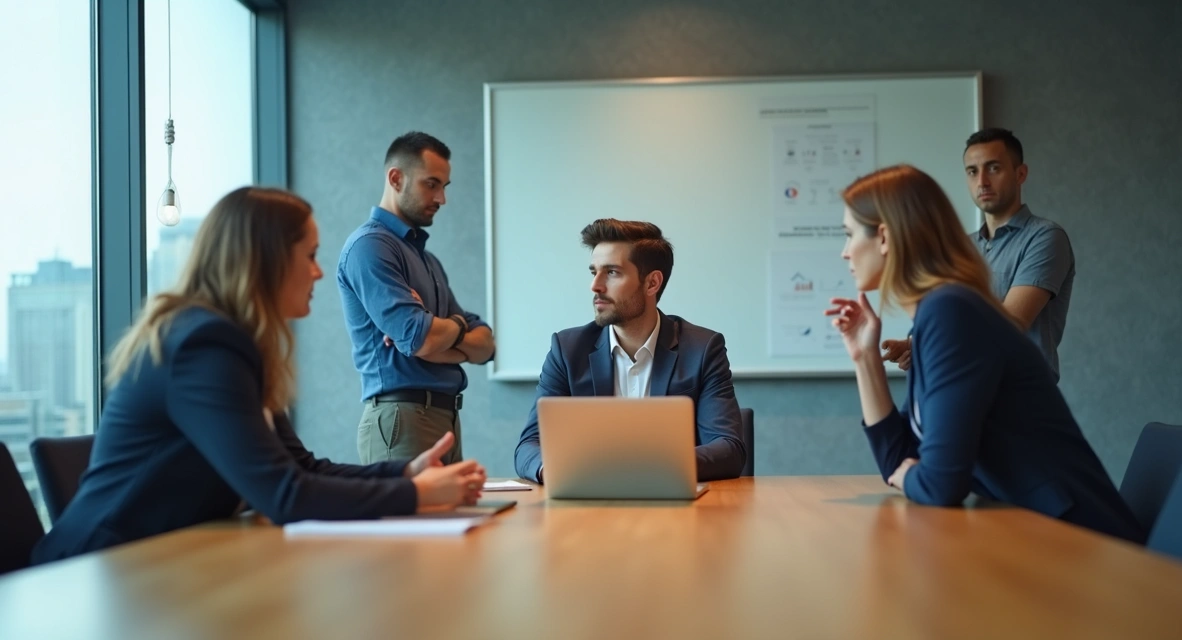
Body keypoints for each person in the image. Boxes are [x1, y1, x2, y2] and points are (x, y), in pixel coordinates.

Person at [32, 187, 486, 563]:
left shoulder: (233, 342)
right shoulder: (203, 345)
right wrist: (413, 495)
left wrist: (405, 472)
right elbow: (283, 495)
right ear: (266, 259)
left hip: (159, 564)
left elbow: (300, 467)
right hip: (97, 572)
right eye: (309, 255)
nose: (319, 271)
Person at [827, 165, 1143, 543]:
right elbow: (899, 461)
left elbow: (939, 483)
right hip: (1032, 535)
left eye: (848, 235)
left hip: (1081, 543)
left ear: (883, 237)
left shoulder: (952, 313)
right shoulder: (937, 315)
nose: (845, 252)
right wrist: (865, 358)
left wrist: (912, 475)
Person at [514, 219, 746, 483]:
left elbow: (729, 448)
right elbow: (528, 446)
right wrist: (555, 470)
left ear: (651, 283)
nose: (596, 286)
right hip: (586, 508)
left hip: (675, 507)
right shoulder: (567, 350)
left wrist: (644, 468)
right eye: (594, 272)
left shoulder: (702, 349)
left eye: (612, 272)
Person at [337, 132, 495, 465]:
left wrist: (442, 333)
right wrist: (453, 326)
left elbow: (486, 346)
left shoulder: (427, 259)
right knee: (411, 519)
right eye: (432, 184)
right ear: (396, 178)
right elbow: (420, 338)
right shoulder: (370, 247)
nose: (441, 198)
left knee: (455, 517)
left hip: (445, 417)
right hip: (402, 417)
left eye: (445, 186)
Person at [881, 128, 1074, 381]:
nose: (982, 181)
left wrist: (931, 343)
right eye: (972, 171)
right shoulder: (962, 247)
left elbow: (1009, 326)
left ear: (1020, 174)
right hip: (967, 390)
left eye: (993, 168)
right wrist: (915, 344)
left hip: (1021, 399)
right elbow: (950, 320)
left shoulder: (1045, 237)